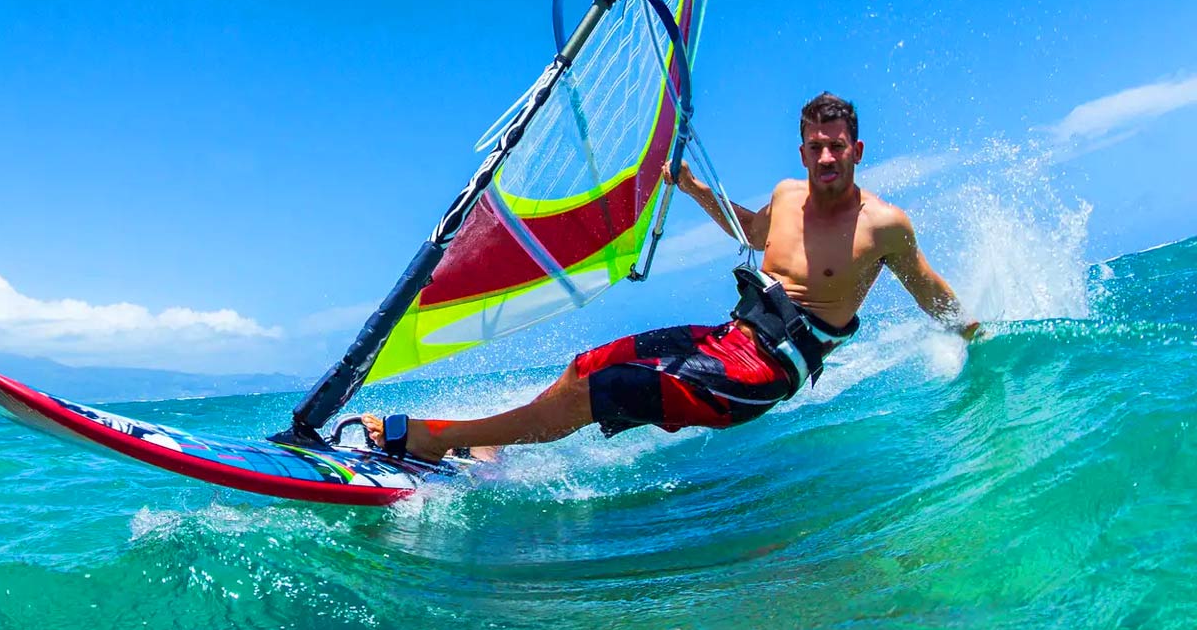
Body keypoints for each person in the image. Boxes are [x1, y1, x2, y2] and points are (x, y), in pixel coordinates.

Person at [352, 92, 980, 463]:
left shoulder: (885, 226)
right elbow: (751, 233)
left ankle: (438, 439)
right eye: (815, 146)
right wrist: (693, 187)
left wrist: (977, 334)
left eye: (837, 146)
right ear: (801, 152)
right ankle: (491, 444)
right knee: (583, 369)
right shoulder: (789, 196)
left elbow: (930, 290)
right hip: (725, 341)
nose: (825, 157)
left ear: (857, 150)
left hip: (762, 375)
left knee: (604, 392)